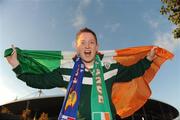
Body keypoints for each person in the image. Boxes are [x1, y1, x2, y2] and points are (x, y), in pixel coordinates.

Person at [6, 27, 157, 120]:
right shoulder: (67, 69)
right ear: (77, 48)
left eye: (91, 42)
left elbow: (132, 72)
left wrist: (148, 59)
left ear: (97, 47)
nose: (87, 46)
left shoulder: (110, 66)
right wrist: (16, 66)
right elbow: (40, 81)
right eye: (82, 42)